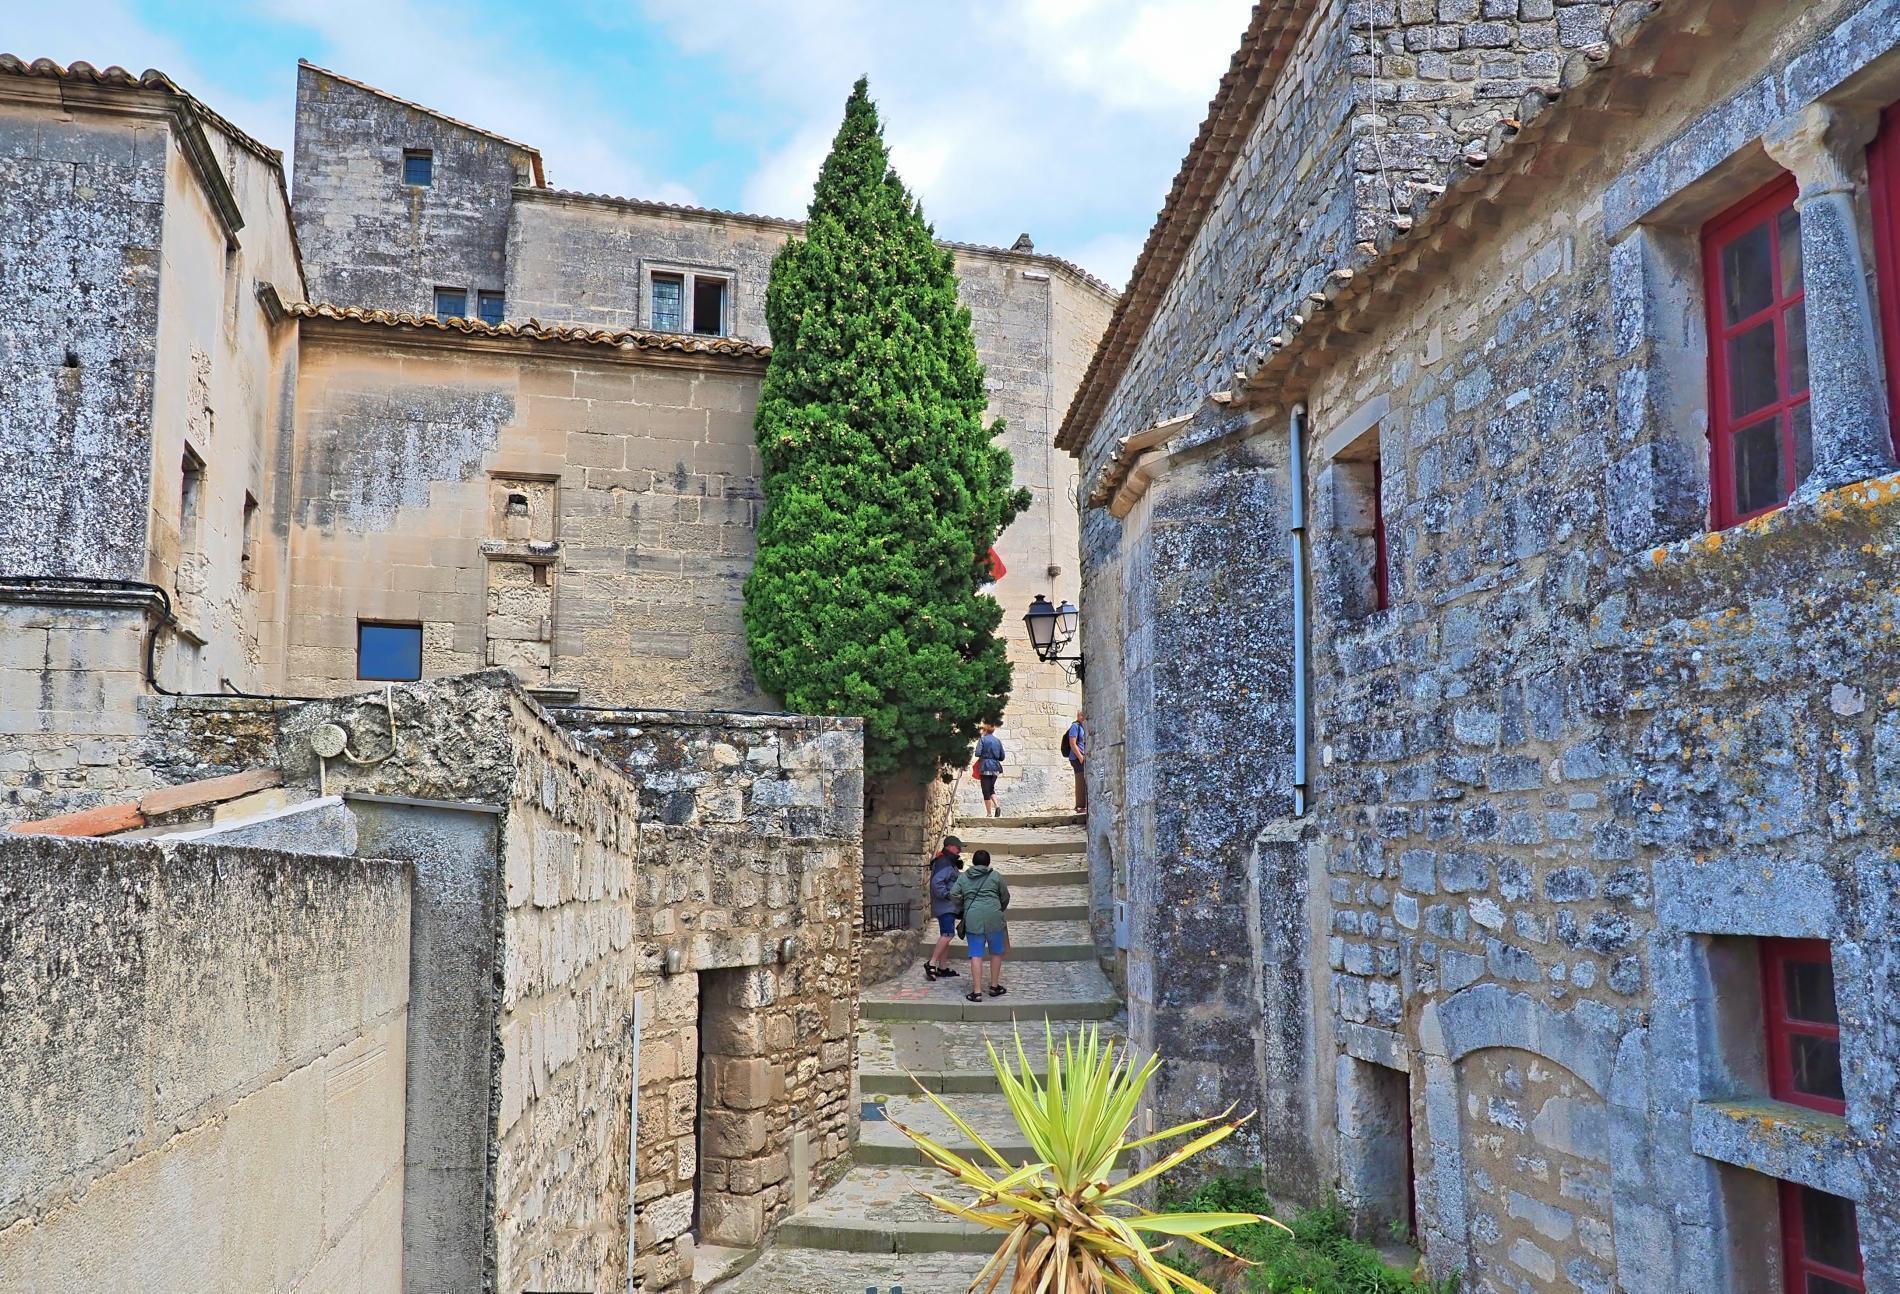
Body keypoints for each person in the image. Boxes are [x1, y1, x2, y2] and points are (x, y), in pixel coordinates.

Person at [951, 848, 1010, 1001]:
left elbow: (953, 894)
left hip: (973, 919)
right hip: (994, 918)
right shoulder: (995, 876)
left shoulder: (964, 878)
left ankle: (977, 992)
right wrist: (998, 908)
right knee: (996, 953)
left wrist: (963, 907)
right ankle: (994, 986)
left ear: (974, 862)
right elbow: (1005, 896)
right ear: (988, 862)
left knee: (976, 954)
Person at [923, 835, 964, 981]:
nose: (959, 850)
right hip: (946, 906)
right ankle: (931, 963)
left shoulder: (947, 861)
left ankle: (942, 967)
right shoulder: (944, 862)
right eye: (958, 847)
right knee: (948, 935)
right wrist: (948, 895)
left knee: (946, 935)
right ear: (950, 847)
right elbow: (937, 883)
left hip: (948, 906)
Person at [974, 723, 1005, 818]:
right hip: (995, 767)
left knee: (985, 790)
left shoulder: (982, 739)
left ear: (985, 730)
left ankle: (989, 813)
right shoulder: (998, 741)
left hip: (985, 767)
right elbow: (1002, 757)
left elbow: (977, 753)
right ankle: (997, 806)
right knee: (991, 788)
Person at [1063, 710, 1088, 812]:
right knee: (1080, 780)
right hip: (1076, 758)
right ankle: (1080, 806)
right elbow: (1072, 743)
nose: (1082, 717)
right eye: (1080, 715)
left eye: (1083, 715)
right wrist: (1080, 757)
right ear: (1077, 716)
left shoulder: (1083, 727)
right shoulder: (1075, 726)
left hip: (1081, 757)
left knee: (1083, 780)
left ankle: (1083, 805)